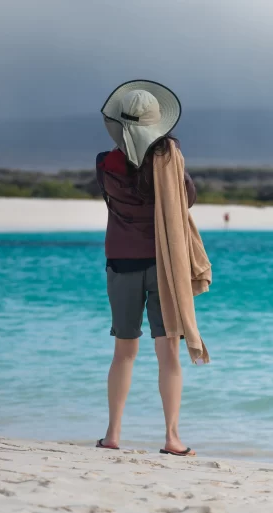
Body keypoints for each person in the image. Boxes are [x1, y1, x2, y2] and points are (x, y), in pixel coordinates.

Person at [95, 80, 198, 456]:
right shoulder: (168, 161)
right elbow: (187, 199)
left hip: (121, 262)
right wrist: (172, 156)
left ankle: (113, 434)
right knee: (168, 352)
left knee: (124, 351)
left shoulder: (105, 164)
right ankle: (172, 438)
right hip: (163, 265)